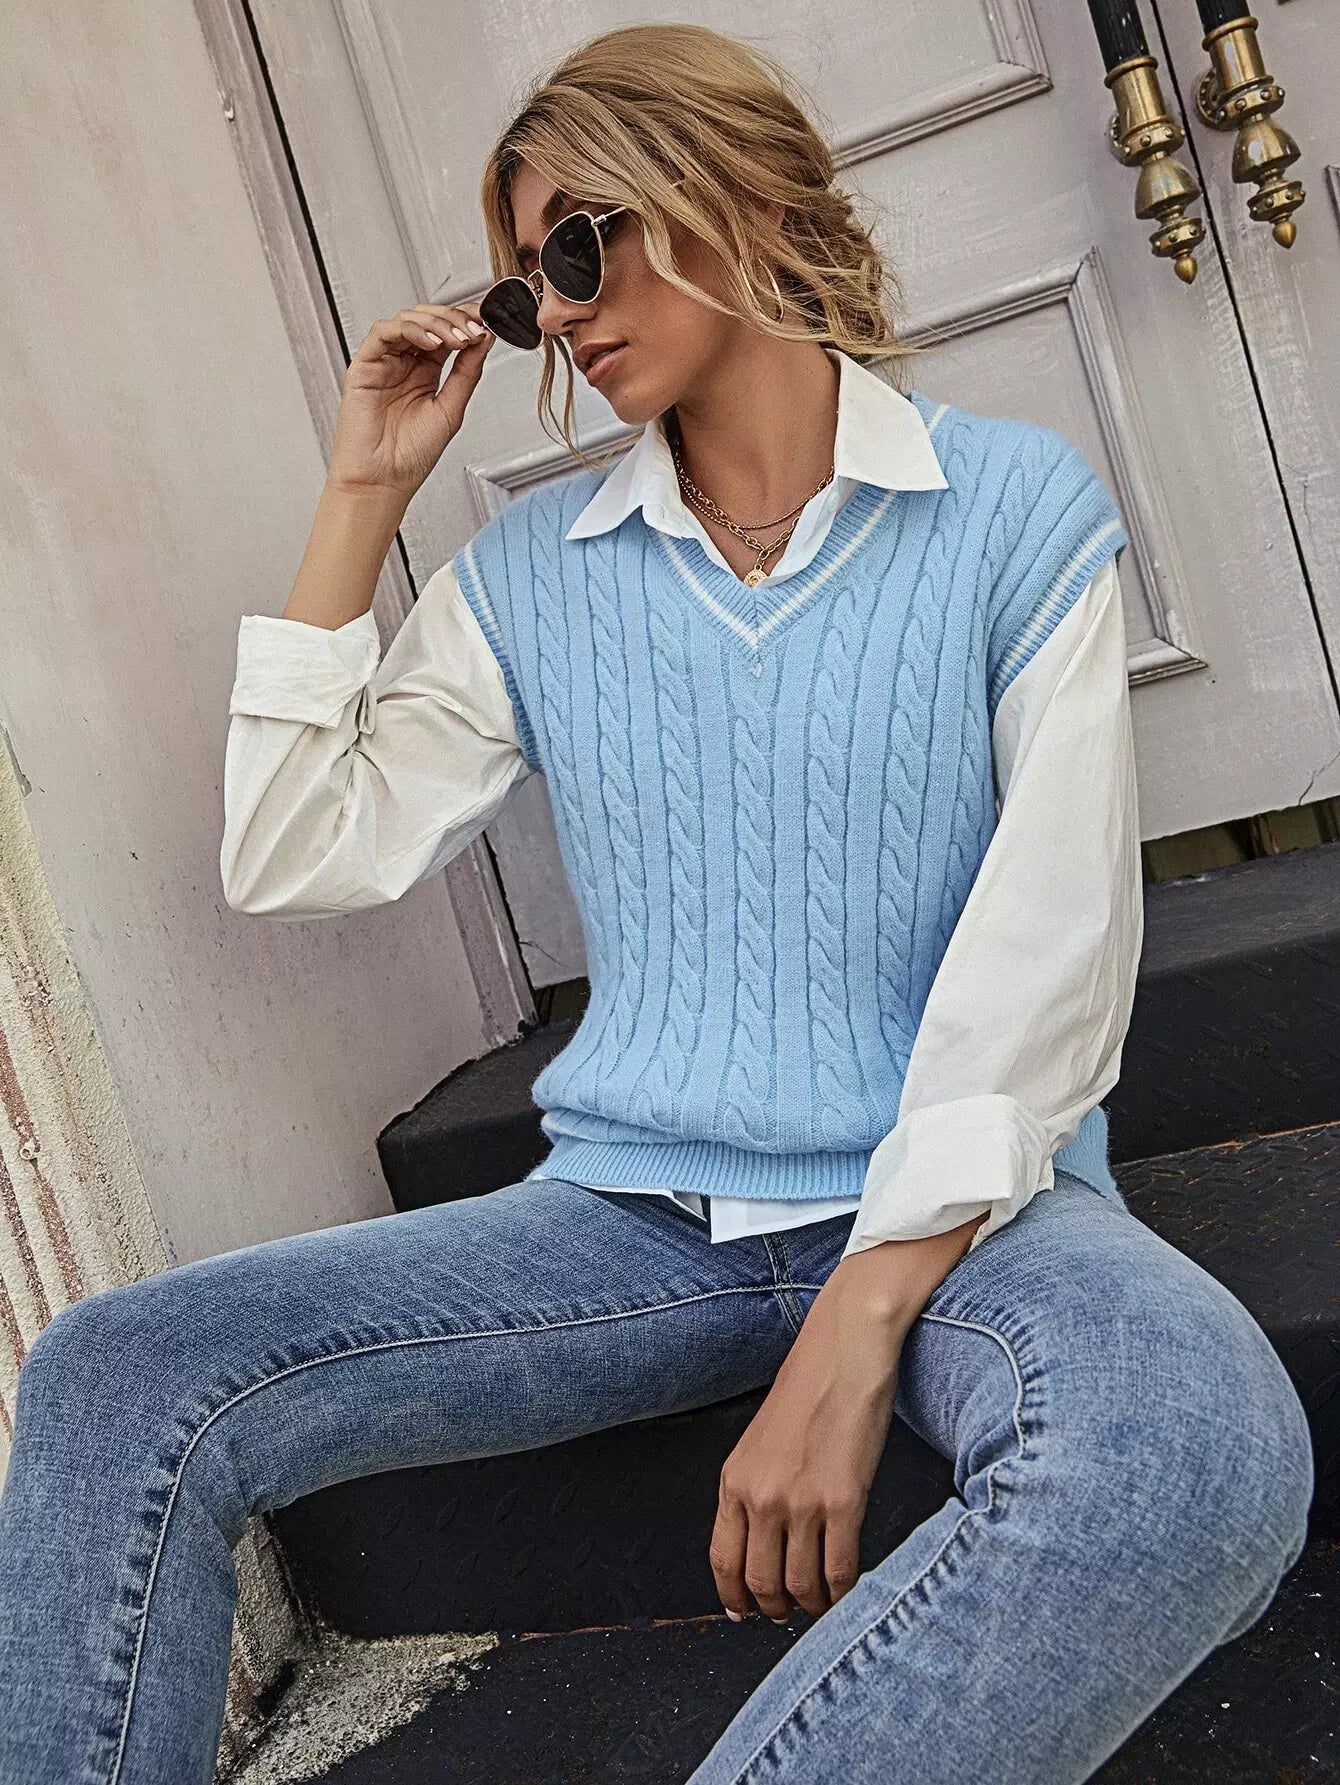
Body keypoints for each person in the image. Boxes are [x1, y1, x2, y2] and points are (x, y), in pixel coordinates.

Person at [0, 22, 1312, 1785]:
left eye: (578, 246)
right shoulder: (536, 579)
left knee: (1196, 1453)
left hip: (967, 1214)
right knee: (114, 1371)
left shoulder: (1011, 513)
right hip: (632, 1225)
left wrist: (861, 1317)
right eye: (526, 285)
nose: (557, 313)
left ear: (732, 188)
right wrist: (364, 490)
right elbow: (298, 848)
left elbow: (1054, 951)